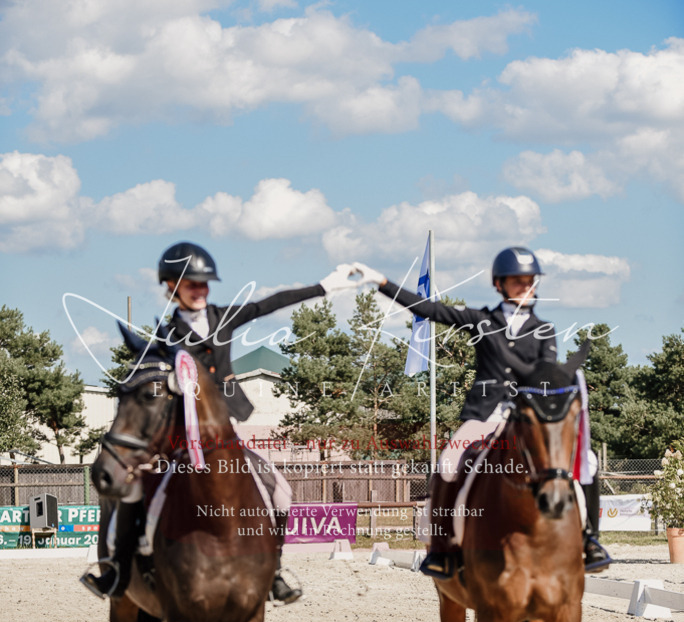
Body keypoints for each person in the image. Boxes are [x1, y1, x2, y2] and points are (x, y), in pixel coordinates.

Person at [82, 242, 354, 603]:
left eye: (205, 284)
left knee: (280, 491)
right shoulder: (167, 336)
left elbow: (270, 303)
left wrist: (325, 286)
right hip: (180, 441)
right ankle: (116, 569)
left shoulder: (222, 317)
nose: (200, 290)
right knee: (133, 490)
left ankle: (274, 572)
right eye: (192, 284)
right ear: (171, 287)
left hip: (224, 432)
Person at [352, 246, 611, 574]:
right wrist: (382, 283)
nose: (526, 287)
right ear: (499, 284)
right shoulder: (482, 320)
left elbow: (543, 376)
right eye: (518, 281)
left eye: (530, 281)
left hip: (526, 415)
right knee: (448, 462)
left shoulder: (545, 330)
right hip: (485, 414)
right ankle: (442, 547)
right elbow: (430, 310)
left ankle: (589, 539)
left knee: (587, 460)